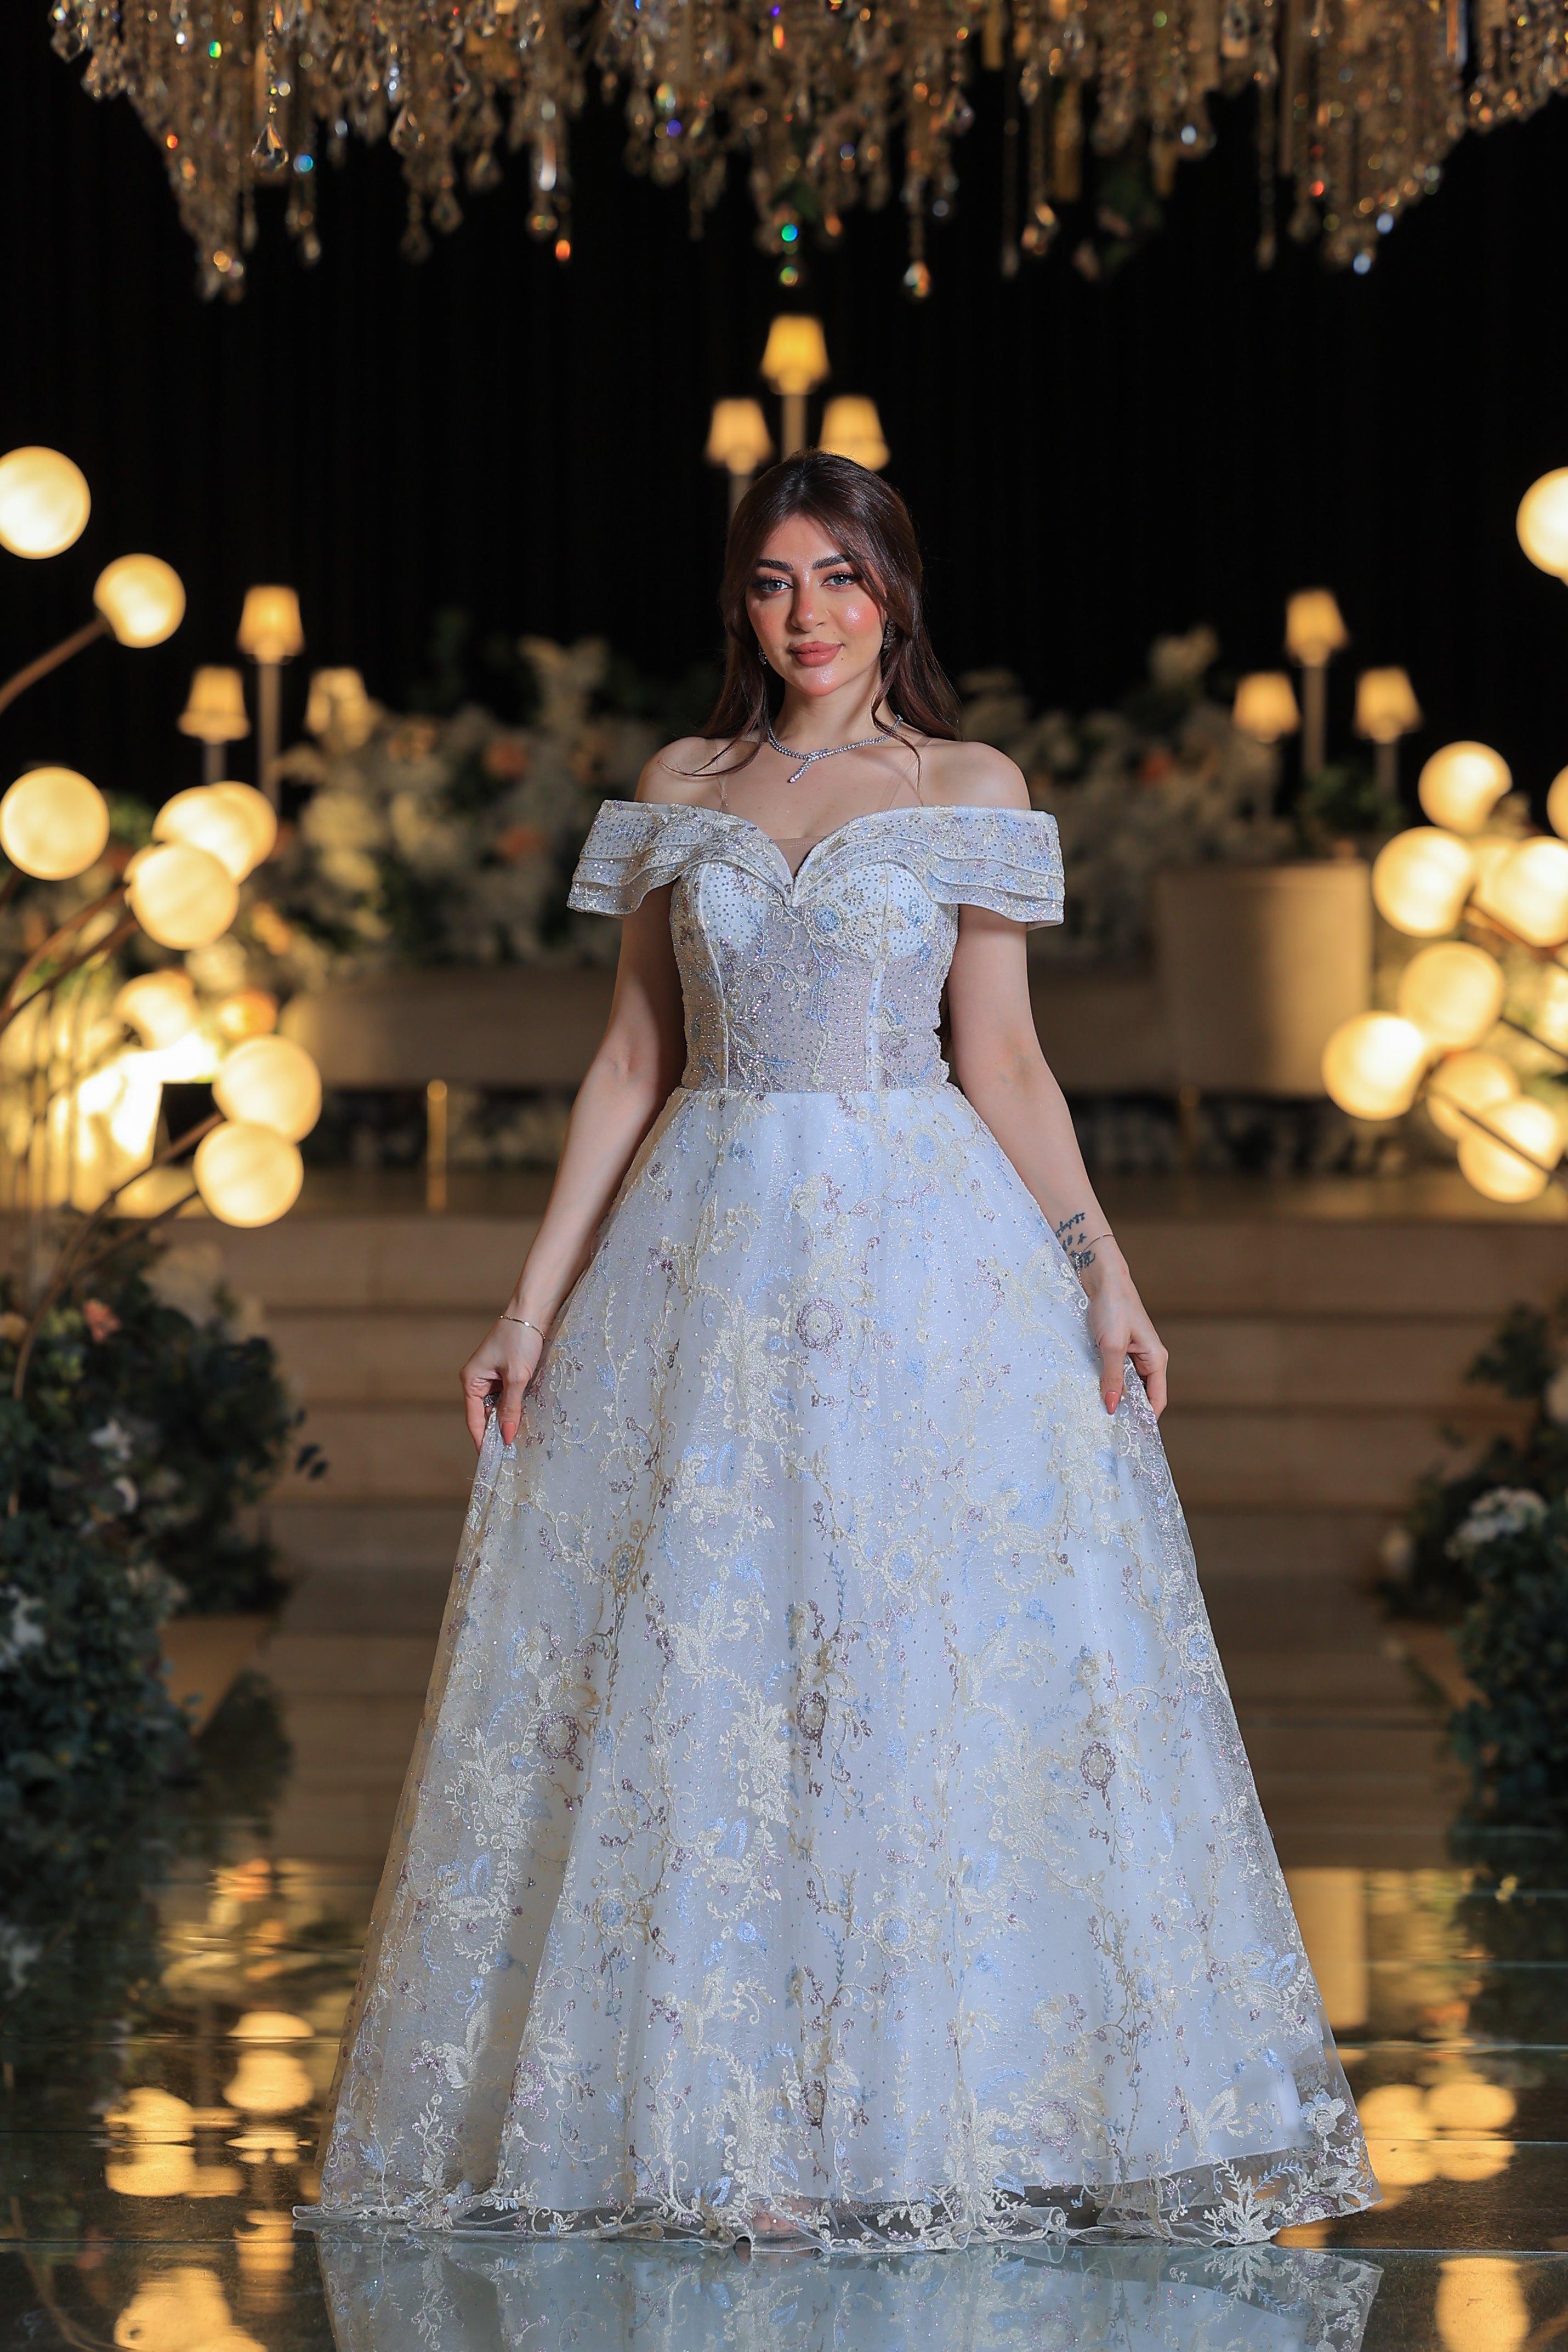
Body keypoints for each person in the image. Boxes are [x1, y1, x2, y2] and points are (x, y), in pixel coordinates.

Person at [302, 453, 1375, 2252]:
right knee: (713, 1668)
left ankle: (926, 2098)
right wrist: (527, 1305)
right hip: (706, 1252)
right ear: (742, 600)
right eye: (774, 580)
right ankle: (730, 2113)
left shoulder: (968, 786)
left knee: (905, 1662)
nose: (806, 613)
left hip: (921, 1256)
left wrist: (1101, 1272)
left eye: (839, 577)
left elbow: (1005, 1059)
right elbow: (631, 1060)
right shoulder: (680, 785)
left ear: (894, 592)